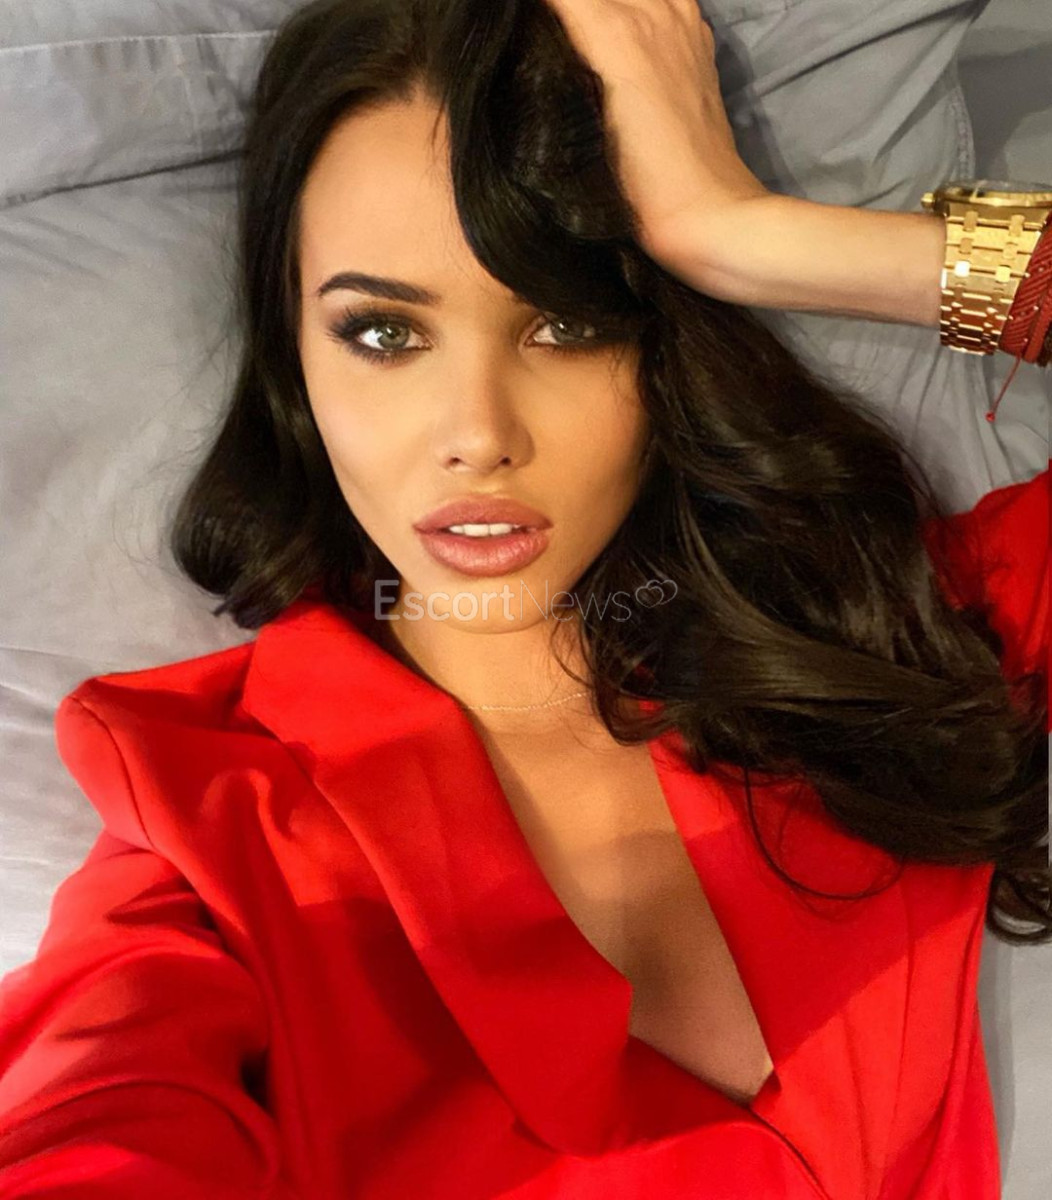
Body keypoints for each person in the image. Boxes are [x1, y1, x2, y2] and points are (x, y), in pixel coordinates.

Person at [0, 1, 1047, 1197]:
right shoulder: (207, 841)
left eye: (566, 322)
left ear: (662, 350)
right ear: (294, 362)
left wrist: (750, 238)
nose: (478, 434)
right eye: (382, 334)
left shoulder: (886, 637)